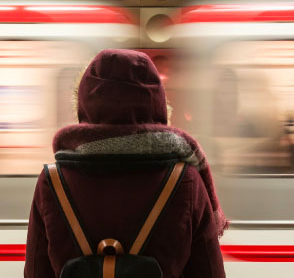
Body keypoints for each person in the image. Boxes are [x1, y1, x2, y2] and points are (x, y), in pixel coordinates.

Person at [24, 49, 226, 278]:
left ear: (85, 103)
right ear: (157, 103)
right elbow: (209, 272)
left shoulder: (52, 182)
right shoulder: (186, 180)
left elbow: (35, 272)